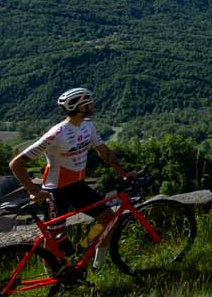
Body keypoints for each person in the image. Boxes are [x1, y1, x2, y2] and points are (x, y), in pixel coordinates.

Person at [9, 87, 130, 256]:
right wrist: (34, 191)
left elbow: (103, 151)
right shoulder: (57, 134)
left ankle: (86, 253)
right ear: (81, 107)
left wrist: (122, 172)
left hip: (78, 186)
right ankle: (52, 274)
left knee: (108, 217)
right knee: (54, 237)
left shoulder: (88, 125)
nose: (93, 105)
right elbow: (16, 163)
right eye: (90, 103)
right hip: (55, 192)